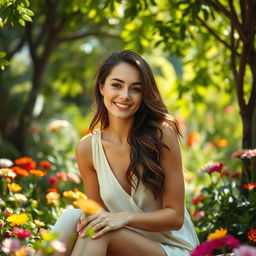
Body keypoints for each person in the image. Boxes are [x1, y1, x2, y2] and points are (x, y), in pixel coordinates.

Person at [44, 50, 199, 256]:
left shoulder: (162, 135)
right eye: (116, 85)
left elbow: (175, 217)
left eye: (135, 89)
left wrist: (125, 217)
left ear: (143, 95)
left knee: (98, 230)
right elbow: (98, 215)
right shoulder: (87, 148)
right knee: (72, 218)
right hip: (121, 245)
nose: (125, 96)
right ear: (101, 87)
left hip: (171, 249)